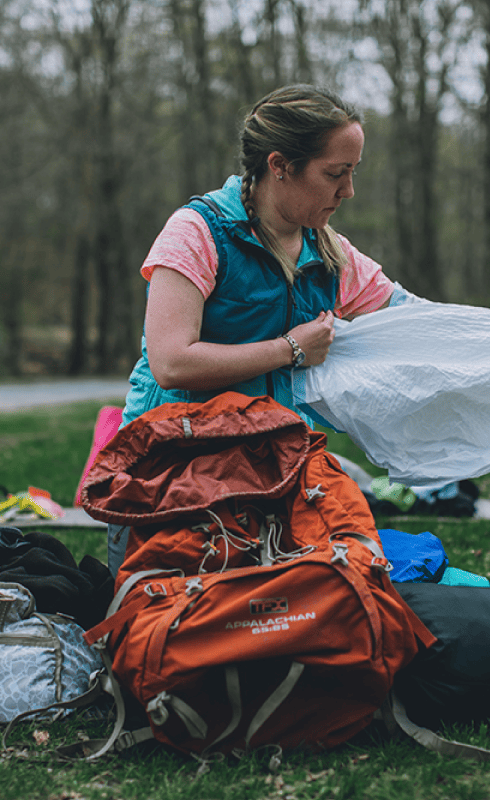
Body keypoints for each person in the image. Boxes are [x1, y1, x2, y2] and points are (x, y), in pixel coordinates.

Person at [107, 84, 413, 575]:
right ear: (280, 165)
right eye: (336, 173)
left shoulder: (331, 253)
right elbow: (171, 361)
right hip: (172, 478)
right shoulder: (198, 233)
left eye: (352, 173)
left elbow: (413, 317)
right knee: (173, 634)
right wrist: (291, 348)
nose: (348, 191)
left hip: (274, 476)